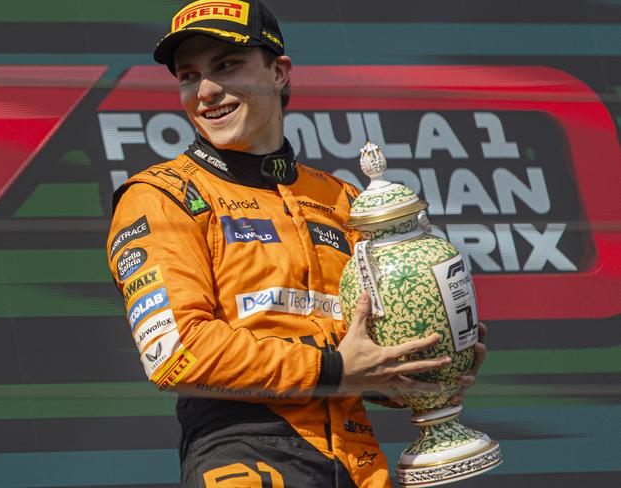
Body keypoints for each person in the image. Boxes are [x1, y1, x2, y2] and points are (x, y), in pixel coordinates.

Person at [106, 1, 487, 486]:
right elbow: (176, 352)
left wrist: (423, 366)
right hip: (241, 453)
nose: (205, 92)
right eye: (188, 75)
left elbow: (364, 358)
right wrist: (334, 367)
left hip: (360, 462)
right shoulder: (162, 196)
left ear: (279, 72)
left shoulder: (344, 200)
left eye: (227, 65)